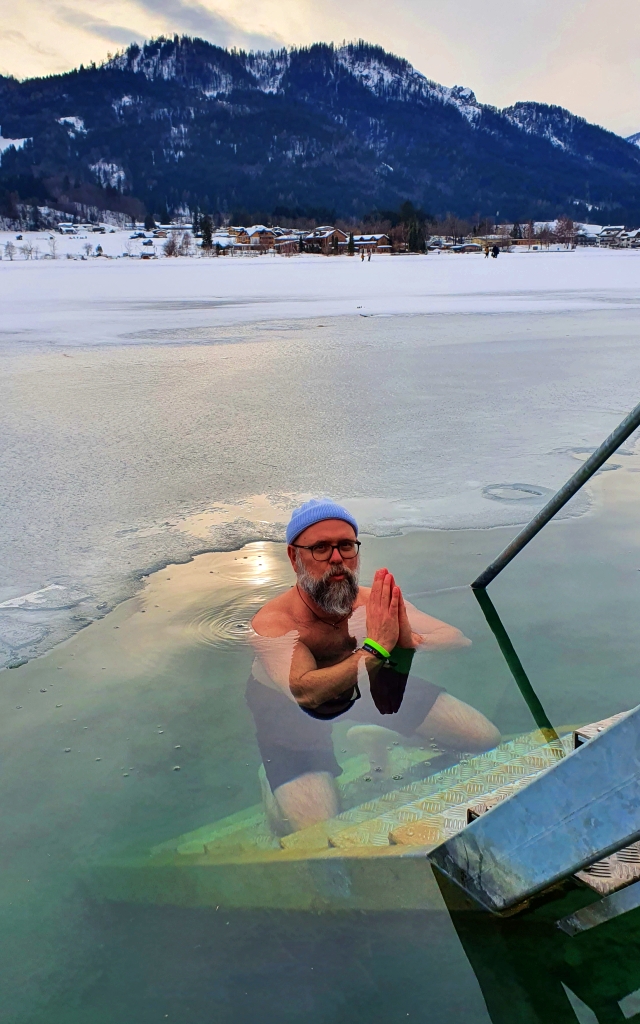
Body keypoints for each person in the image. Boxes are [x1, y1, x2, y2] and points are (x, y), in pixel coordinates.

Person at [248, 499, 500, 832]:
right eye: (321, 548)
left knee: (483, 737)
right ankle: (273, 779)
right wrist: (376, 648)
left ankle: (377, 733)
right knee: (318, 828)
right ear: (295, 557)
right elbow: (305, 692)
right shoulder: (275, 622)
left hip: (363, 683)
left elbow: (456, 638)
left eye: (346, 546)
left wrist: (410, 640)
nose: (337, 559)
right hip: (288, 707)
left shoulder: (371, 602)